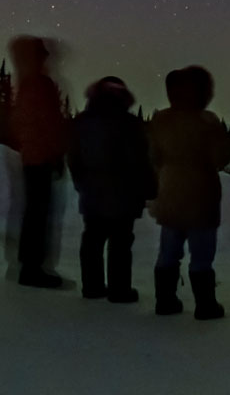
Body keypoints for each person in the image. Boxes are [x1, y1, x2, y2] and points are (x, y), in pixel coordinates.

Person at [145, 65, 230, 320]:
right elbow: (220, 158)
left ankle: (165, 300)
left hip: (170, 190)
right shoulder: (207, 121)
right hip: (201, 194)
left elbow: (153, 156)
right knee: (202, 255)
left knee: (168, 250)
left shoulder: (161, 119)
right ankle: (205, 305)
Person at [69, 75, 156, 304]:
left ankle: (92, 286)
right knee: (120, 241)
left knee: (93, 239)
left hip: (92, 191)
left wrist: (81, 184)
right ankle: (119, 290)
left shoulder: (82, 122)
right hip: (124, 193)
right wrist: (149, 188)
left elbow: (74, 158)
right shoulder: (129, 124)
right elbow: (140, 160)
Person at [2, 35, 71, 288]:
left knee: (34, 212)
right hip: (41, 156)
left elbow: (21, 124)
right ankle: (32, 269)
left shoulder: (26, 84)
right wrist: (56, 153)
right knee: (38, 213)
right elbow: (49, 123)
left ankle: (30, 266)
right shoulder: (39, 85)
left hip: (32, 154)